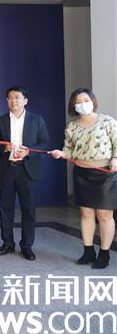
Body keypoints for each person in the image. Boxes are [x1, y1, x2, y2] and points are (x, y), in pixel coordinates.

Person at [49, 88, 117, 269]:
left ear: (93, 101)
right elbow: (70, 150)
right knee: (86, 214)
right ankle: (88, 251)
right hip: (82, 173)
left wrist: (115, 158)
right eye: (77, 102)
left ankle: (104, 253)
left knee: (104, 215)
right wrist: (60, 153)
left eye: (85, 100)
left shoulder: (107, 121)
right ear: (73, 106)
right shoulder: (72, 127)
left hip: (105, 173)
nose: (82, 104)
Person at [0, 86, 49, 261]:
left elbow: (44, 142)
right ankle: (7, 243)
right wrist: (4, 147)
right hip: (6, 169)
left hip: (27, 170)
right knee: (5, 208)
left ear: (25, 100)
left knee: (28, 209)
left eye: (17, 97)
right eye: (10, 97)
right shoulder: (0, 121)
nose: (13, 100)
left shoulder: (36, 120)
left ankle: (27, 246)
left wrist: (29, 151)